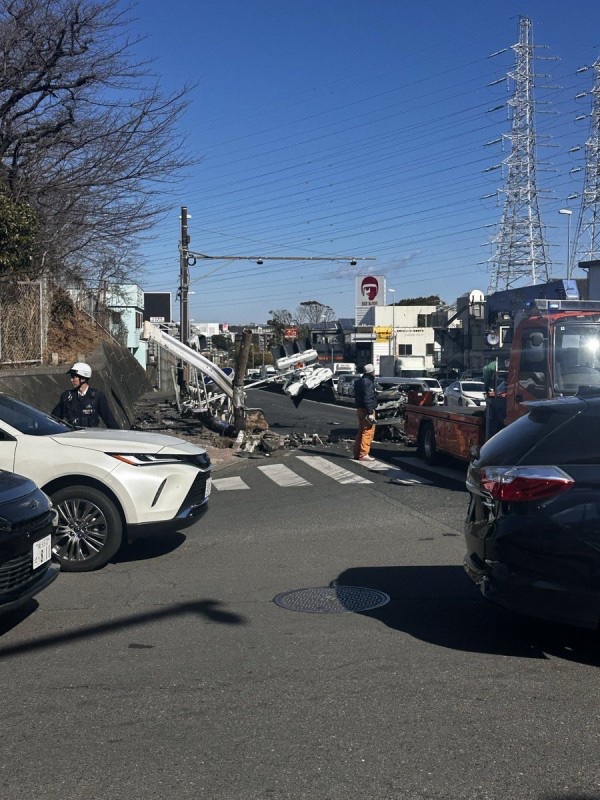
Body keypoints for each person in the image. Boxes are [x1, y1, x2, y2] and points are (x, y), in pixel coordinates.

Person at [52, 362, 119, 429]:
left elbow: (109, 421)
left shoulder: (97, 397)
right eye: (71, 377)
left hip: (90, 437)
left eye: (74, 377)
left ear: (83, 378)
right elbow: (53, 420)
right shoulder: (66, 396)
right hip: (72, 437)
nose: (71, 380)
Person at [353, 363, 377, 461]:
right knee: (368, 432)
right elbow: (368, 398)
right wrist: (370, 412)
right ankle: (363, 454)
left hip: (360, 409)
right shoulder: (368, 382)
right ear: (372, 372)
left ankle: (357, 453)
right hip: (367, 410)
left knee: (360, 432)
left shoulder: (359, 381)